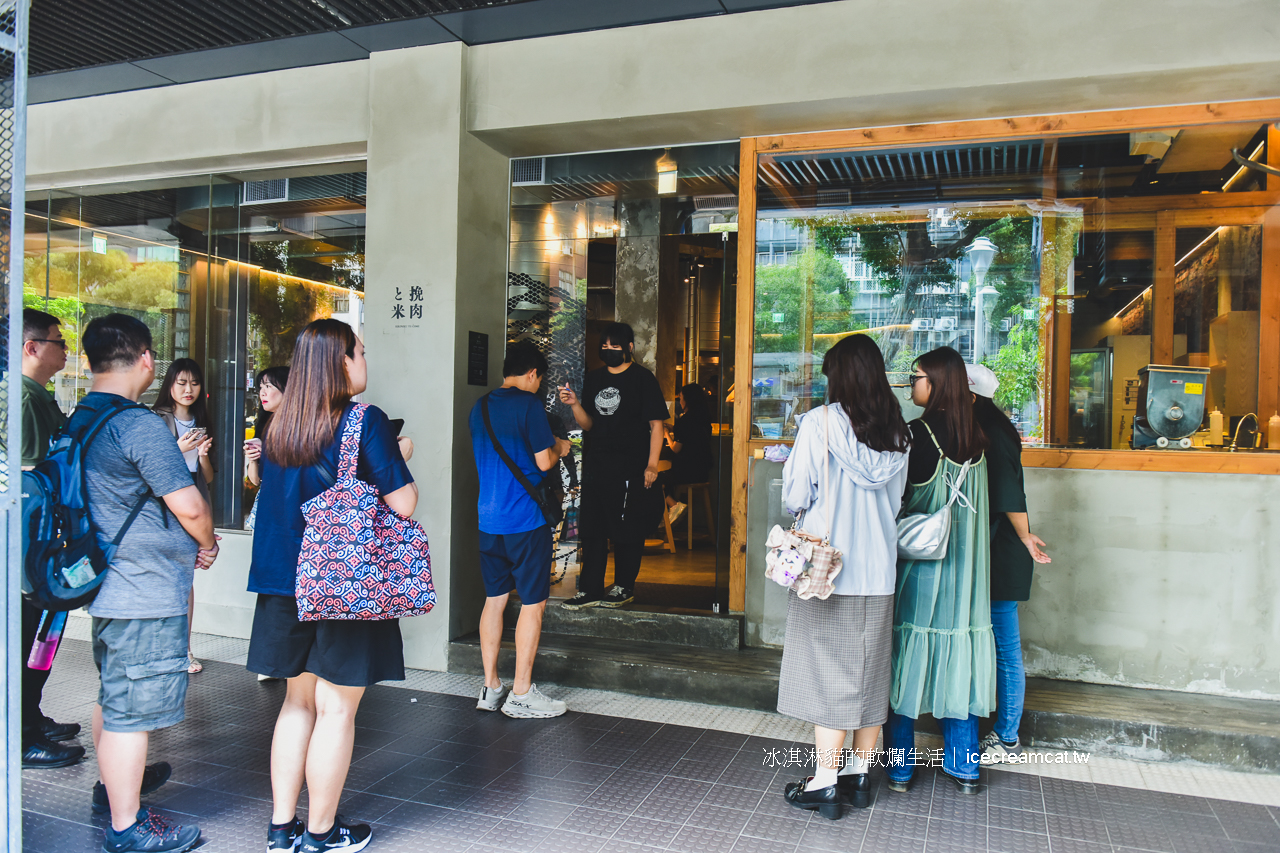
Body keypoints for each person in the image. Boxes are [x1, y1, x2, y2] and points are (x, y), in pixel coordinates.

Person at [246, 318, 416, 853]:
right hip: (342, 580)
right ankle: (321, 835)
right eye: (360, 351)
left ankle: (281, 830)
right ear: (341, 362)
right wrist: (399, 457)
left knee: (297, 703)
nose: (365, 360)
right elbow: (403, 503)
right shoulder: (364, 421)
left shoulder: (279, 424)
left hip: (282, 581)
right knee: (337, 708)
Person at [79, 313, 220, 853]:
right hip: (143, 589)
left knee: (114, 696)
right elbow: (188, 504)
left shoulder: (83, 417)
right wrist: (206, 542)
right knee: (130, 713)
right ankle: (127, 825)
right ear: (146, 360)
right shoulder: (138, 424)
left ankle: (111, 790)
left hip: (108, 584)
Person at [777, 335, 910, 819]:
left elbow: (796, 494)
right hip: (879, 570)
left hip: (826, 571)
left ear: (840, 377)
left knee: (827, 675)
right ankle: (858, 774)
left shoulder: (820, 423)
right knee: (871, 674)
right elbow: (896, 503)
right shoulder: (900, 431)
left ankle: (824, 782)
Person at [884, 345, 995, 795]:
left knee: (905, 663)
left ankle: (899, 769)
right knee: (960, 665)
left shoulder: (915, 435)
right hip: (967, 578)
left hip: (923, 574)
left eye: (916, 377)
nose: (912, 385)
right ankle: (965, 768)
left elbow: (896, 502)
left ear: (936, 384)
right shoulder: (979, 440)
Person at [468, 341, 573, 718]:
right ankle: (523, 693)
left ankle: (491, 686)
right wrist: (561, 445)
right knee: (533, 603)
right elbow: (544, 461)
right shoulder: (529, 406)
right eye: (539, 380)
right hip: (525, 521)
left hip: (488, 520)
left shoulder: (479, 407)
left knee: (494, 600)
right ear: (532, 375)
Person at [966, 364, 1052, 764]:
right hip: (995, 548)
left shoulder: (992, 435)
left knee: (1005, 646)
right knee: (1000, 645)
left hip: (999, 553)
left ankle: (1007, 735)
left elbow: (1008, 493)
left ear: (968, 395)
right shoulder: (989, 428)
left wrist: (1022, 536)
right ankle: (1002, 731)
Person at [558, 322, 669, 609]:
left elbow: (657, 425)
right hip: (597, 464)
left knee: (626, 528)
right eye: (604, 345)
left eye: (614, 346)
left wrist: (652, 465)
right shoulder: (594, 379)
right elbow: (589, 424)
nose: (608, 350)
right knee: (593, 528)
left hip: (631, 465)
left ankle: (623, 586)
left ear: (629, 348)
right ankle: (590, 589)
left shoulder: (643, 380)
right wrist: (574, 404)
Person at [18, 308, 85, 770]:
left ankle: (29, 715)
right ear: (32, 347)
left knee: (42, 635)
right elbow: (29, 481)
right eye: (58, 341)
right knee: (27, 635)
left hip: (42, 543)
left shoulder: (33, 395)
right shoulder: (22, 400)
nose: (65, 349)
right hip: (30, 545)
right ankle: (19, 733)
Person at [152, 358, 215, 674]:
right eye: (182, 382)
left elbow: (206, 477)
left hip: (192, 501)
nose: (189, 389)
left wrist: (202, 457)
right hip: (164, 507)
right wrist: (176, 449)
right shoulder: (157, 420)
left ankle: (184, 650)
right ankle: (162, 650)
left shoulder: (201, 421)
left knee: (185, 579)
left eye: (194, 383)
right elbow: (150, 470)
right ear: (170, 386)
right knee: (162, 579)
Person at [657, 382, 713, 526]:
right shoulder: (704, 419)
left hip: (686, 472)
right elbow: (692, 435)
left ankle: (674, 505)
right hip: (703, 471)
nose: (679, 401)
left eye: (681, 398)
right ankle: (670, 514)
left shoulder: (685, 421)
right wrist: (674, 428)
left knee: (653, 480)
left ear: (688, 400)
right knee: (664, 480)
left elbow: (676, 448)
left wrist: (666, 434)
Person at [245, 365, 290, 490]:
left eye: (268, 386)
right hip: (266, 498)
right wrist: (253, 458)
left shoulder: (300, 427)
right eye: (261, 388)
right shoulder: (265, 425)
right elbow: (256, 480)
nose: (262, 393)